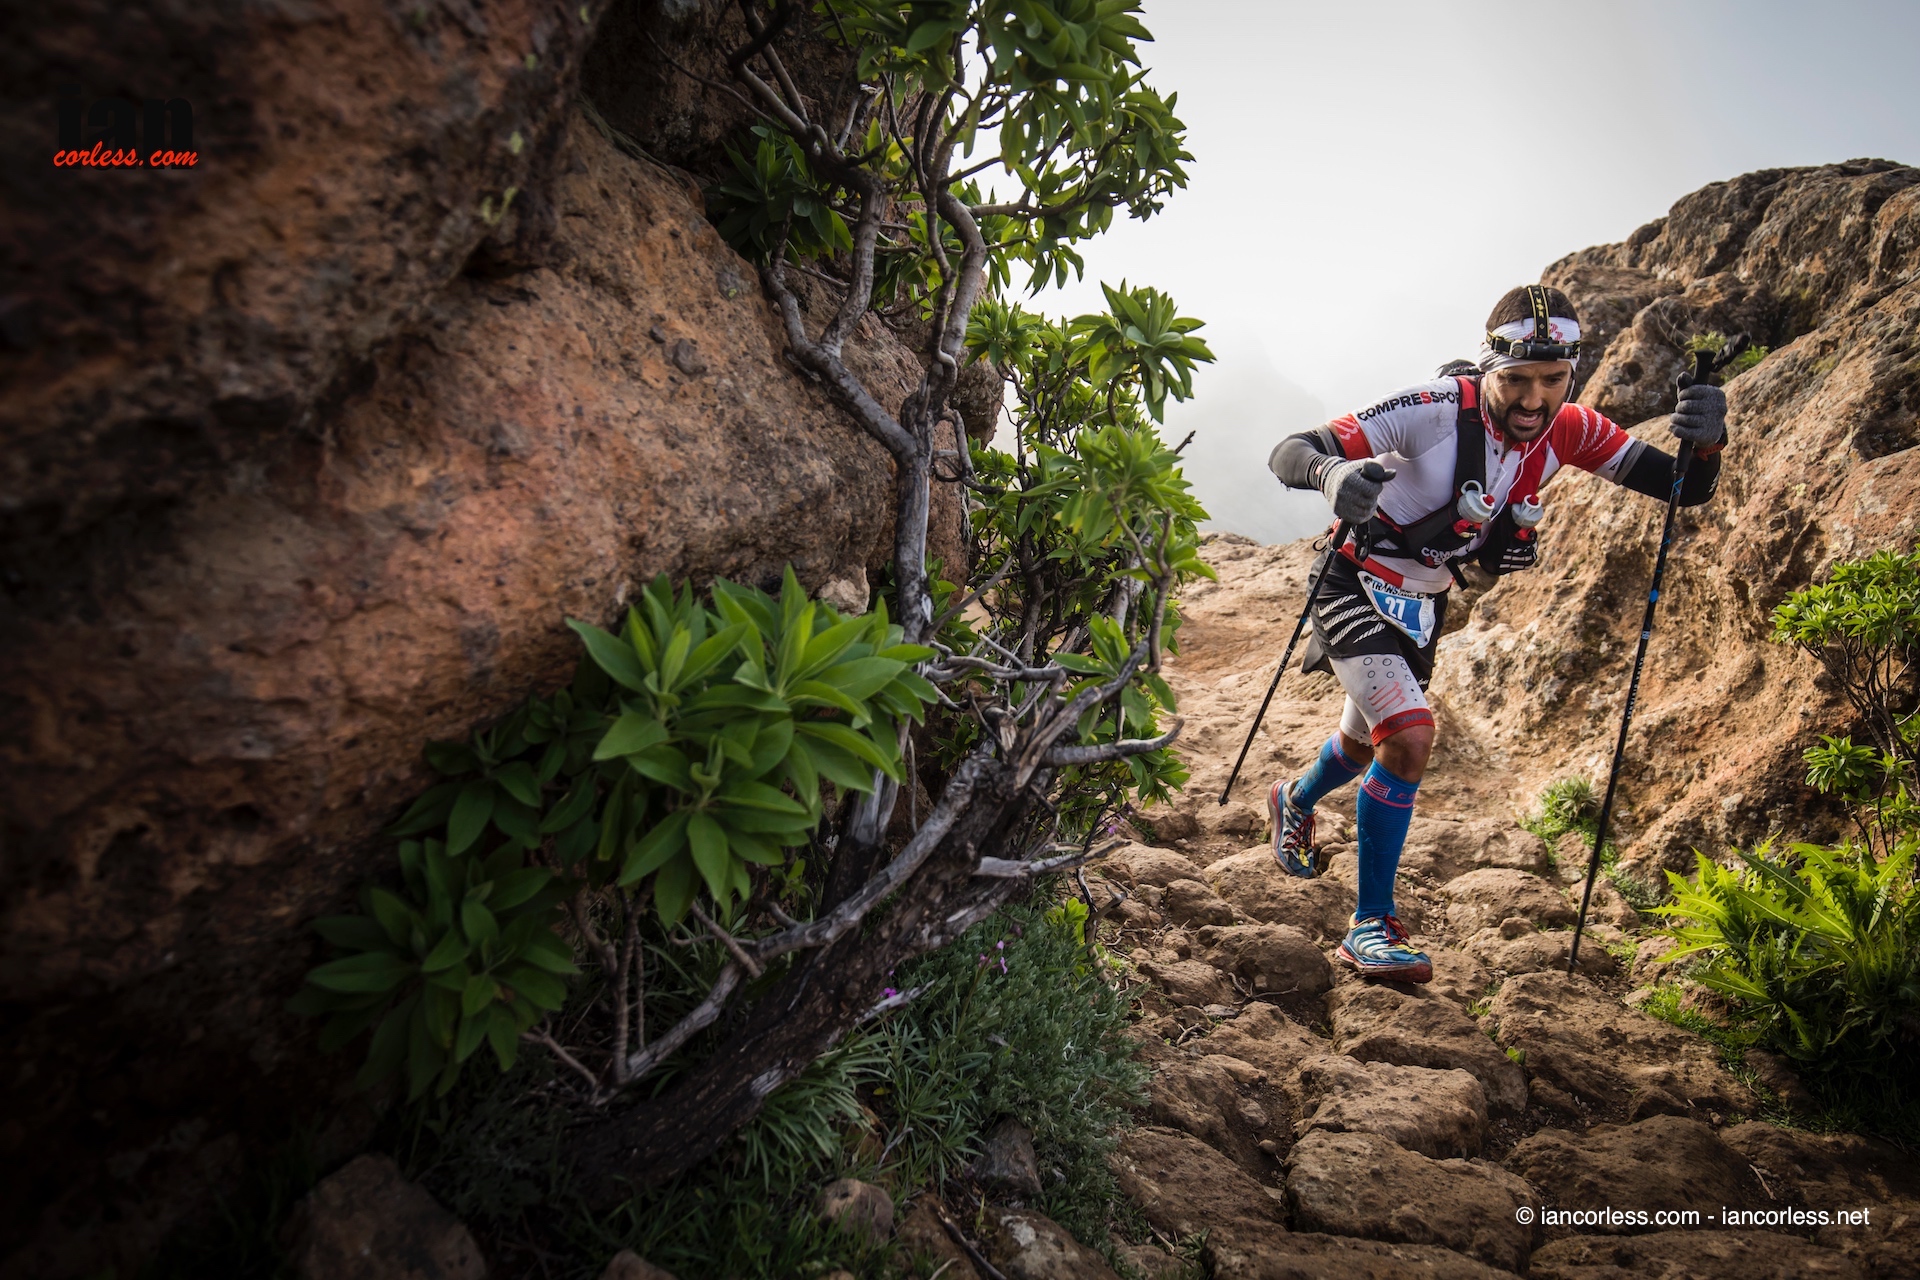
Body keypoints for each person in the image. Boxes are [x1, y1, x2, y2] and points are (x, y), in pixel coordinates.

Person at [1263, 285, 1728, 982]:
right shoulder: (1431, 410)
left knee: (1361, 747)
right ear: (1488, 368)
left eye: (1553, 379)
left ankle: (1294, 800)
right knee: (1409, 737)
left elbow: (1684, 488)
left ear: (1572, 372)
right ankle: (1371, 926)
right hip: (1352, 580)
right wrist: (1331, 475)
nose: (1533, 400)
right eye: (1516, 380)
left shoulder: (1573, 430)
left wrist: (1709, 439)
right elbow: (1291, 450)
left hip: (1423, 602)